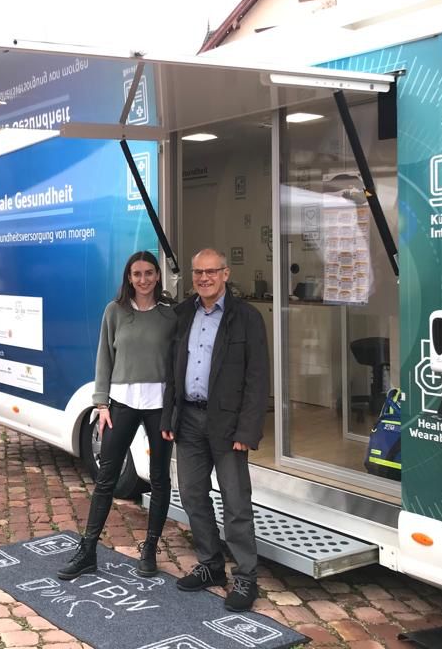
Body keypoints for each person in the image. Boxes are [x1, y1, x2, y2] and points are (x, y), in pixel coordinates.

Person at [58, 250, 178, 581]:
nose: (143, 279)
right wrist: (101, 402)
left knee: (158, 478)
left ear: (158, 276)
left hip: (159, 406)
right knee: (106, 477)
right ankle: (88, 550)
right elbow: (104, 357)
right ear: (128, 277)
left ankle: (150, 549)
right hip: (121, 403)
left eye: (150, 273)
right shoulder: (115, 311)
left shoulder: (170, 315)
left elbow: (178, 362)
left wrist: (175, 407)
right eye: (137, 273)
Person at [161, 248, 269, 612]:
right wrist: (167, 419)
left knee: (236, 502)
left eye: (211, 272)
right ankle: (210, 566)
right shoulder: (181, 315)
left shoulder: (247, 318)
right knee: (191, 494)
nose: (204, 278)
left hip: (228, 425)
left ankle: (245, 576)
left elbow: (257, 379)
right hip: (188, 419)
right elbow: (171, 373)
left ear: (225, 274)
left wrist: (248, 429)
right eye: (198, 273)